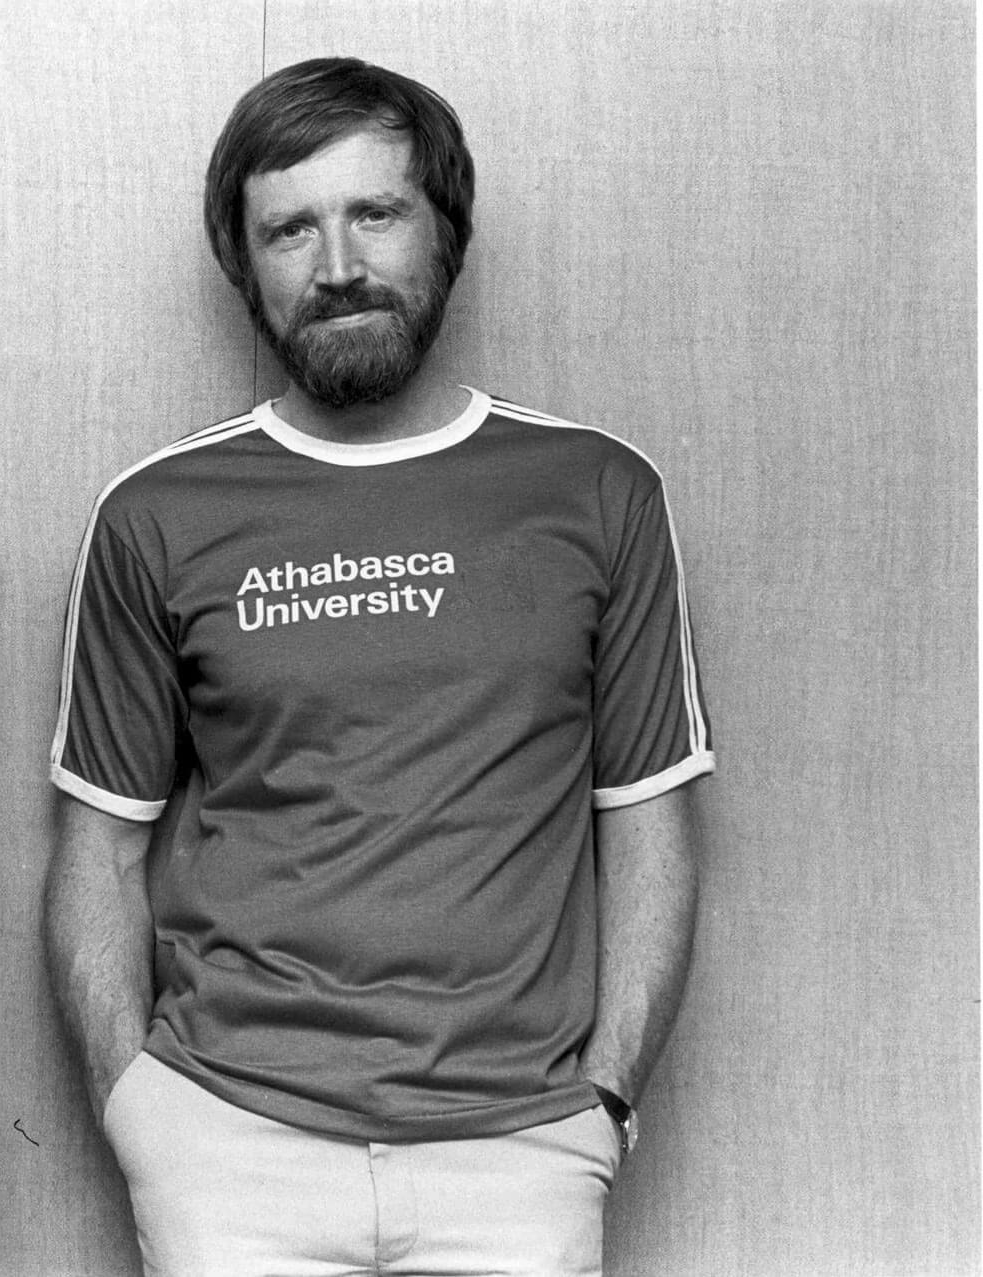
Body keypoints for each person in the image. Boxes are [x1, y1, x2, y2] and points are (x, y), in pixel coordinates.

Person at [45, 57, 712, 1277]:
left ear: (447, 229)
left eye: (376, 213)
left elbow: (652, 824)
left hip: (521, 1150)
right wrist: (137, 1108)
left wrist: (604, 1100)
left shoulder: (595, 491)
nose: (338, 264)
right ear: (245, 265)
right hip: (227, 1142)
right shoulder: (158, 512)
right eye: (290, 228)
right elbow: (100, 846)